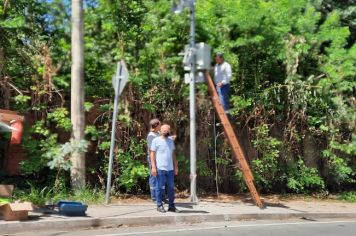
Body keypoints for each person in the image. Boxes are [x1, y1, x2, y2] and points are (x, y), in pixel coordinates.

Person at [150, 124, 179, 213]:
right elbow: (152, 154)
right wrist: (153, 167)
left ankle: (171, 206)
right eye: (164, 130)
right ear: (161, 131)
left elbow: (173, 154)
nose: (166, 131)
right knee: (159, 187)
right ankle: (159, 205)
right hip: (160, 168)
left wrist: (176, 166)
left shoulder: (170, 141)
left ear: (169, 131)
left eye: (167, 130)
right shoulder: (156, 140)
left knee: (171, 188)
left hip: (170, 169)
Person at [146, 118, 161, 202]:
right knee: (153, 176)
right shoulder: (151, 136)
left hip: (159, 158)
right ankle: (154, 197)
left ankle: (160, 196)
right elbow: (152, 150)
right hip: (153, 158)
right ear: (156, 125)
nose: (161, 125)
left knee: (160, 176)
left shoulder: (158, 133)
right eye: (160, 124)